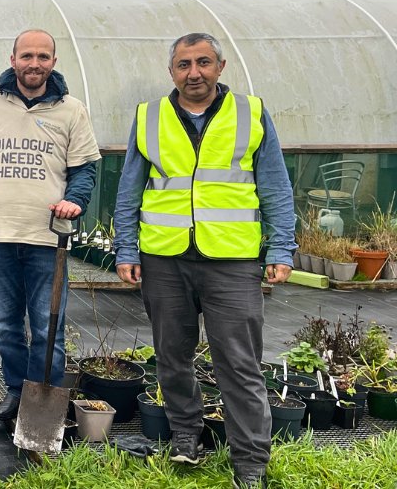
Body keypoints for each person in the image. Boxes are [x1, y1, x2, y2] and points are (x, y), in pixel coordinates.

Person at [113, 32, 295, 489]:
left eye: (203, 63)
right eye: (183, 65)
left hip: (231, 260)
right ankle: (185, 436)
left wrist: (281, 247)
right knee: (172, 357)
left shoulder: (250, 113)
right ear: (171, 71)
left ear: (220, 66)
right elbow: (129, 188)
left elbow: (274, 184)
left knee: (240, 363)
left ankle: (250, 461)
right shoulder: (150, 116)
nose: (194, 73)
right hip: (165, 258)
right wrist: (127, 248)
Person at [0, 29, 101, 422]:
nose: (34, 63)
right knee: (6, 324)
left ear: (53, 63)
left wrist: (75, 200)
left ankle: (43, 404)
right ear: (13, 60)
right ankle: (14, 390)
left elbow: (85, 167)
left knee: (47, 326)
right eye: (27, 56)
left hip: (47, 237)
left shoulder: (71, 110)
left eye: (43, 56)